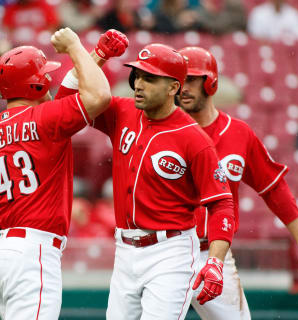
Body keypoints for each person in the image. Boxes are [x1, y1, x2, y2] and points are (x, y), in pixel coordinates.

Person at [57, 37, 236, 319]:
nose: (139, 84)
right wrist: (99, 56)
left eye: (150, 78)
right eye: (137, 75)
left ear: (173, 87)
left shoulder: (194, 139)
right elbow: (65, 102)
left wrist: (215, 261)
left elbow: (222, 204)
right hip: (124, 249)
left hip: (171, 252)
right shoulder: (122, 111)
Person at [0, 27, 125, 319]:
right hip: (32, 251)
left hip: (0, 253)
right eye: (44, 75)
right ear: (35, 85)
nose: (49, 80)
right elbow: (99, 96)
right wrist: (75, 46)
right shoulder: (45, 119)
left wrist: (98, 56)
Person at [177, 46, 298, 320]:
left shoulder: (238, 133)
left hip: (212, 252)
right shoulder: (163, 129)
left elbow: (273, 189)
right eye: (178, 80)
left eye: (191, 79)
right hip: (164, 249)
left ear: (210, 82)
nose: (182, 88)